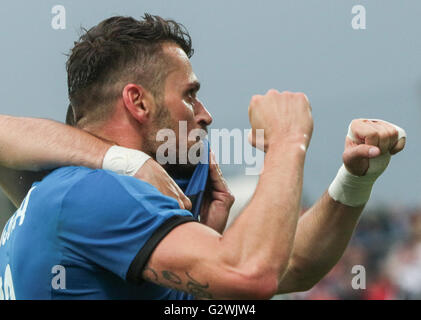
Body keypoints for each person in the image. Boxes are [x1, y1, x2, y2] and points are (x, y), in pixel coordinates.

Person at [0, 14, 406, 300]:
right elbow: (250, 275)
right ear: (137, 102)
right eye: (189, 94)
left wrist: (355, 181)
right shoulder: (95, 190)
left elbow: (293, 264)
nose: (205, 114)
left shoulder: (54, 190)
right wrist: (288, 140)